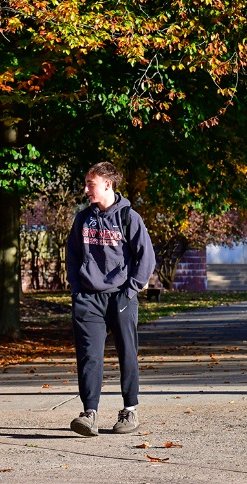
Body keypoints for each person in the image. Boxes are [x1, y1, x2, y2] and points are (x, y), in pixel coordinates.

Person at [67, 161, 155, 437]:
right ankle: (89, 413)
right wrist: (77, 290)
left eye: (90, 184)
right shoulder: (83, 219)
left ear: (107, 184)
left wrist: (130, 290)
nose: (85, 189)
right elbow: (72, 256)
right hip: (88, 298)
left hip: (121, 297)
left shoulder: (129, 217)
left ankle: (130, 410)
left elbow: (146, 258)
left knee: (127, 353)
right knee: (89, 356)